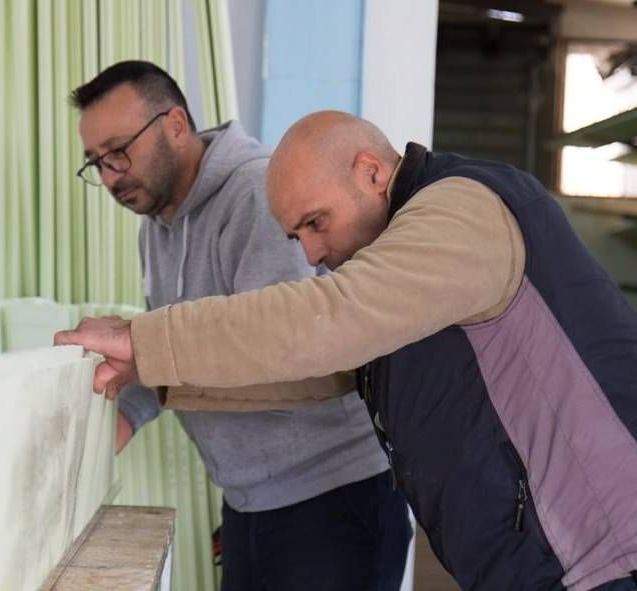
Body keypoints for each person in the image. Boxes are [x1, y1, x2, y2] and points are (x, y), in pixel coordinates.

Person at [56, 110, 637, 591]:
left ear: (371, 172)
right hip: (537, 561)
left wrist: (143, 337)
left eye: (315, 222)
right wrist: (156, 376)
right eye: (296, 235)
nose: (309, 254)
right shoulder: (401, 274)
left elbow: (330, 320)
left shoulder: (462, 209)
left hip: (601, 554)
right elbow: (325, 369)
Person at [70, 63, 411, 591]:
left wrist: (146, 361)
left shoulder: (255, 195)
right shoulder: (157, 229)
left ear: (176, 125)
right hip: (251, 500)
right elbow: (166, 352)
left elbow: (277, 358)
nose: (111, 175)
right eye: (96, 162)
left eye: (119, 151)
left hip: (330, 498)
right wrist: (124, 414)